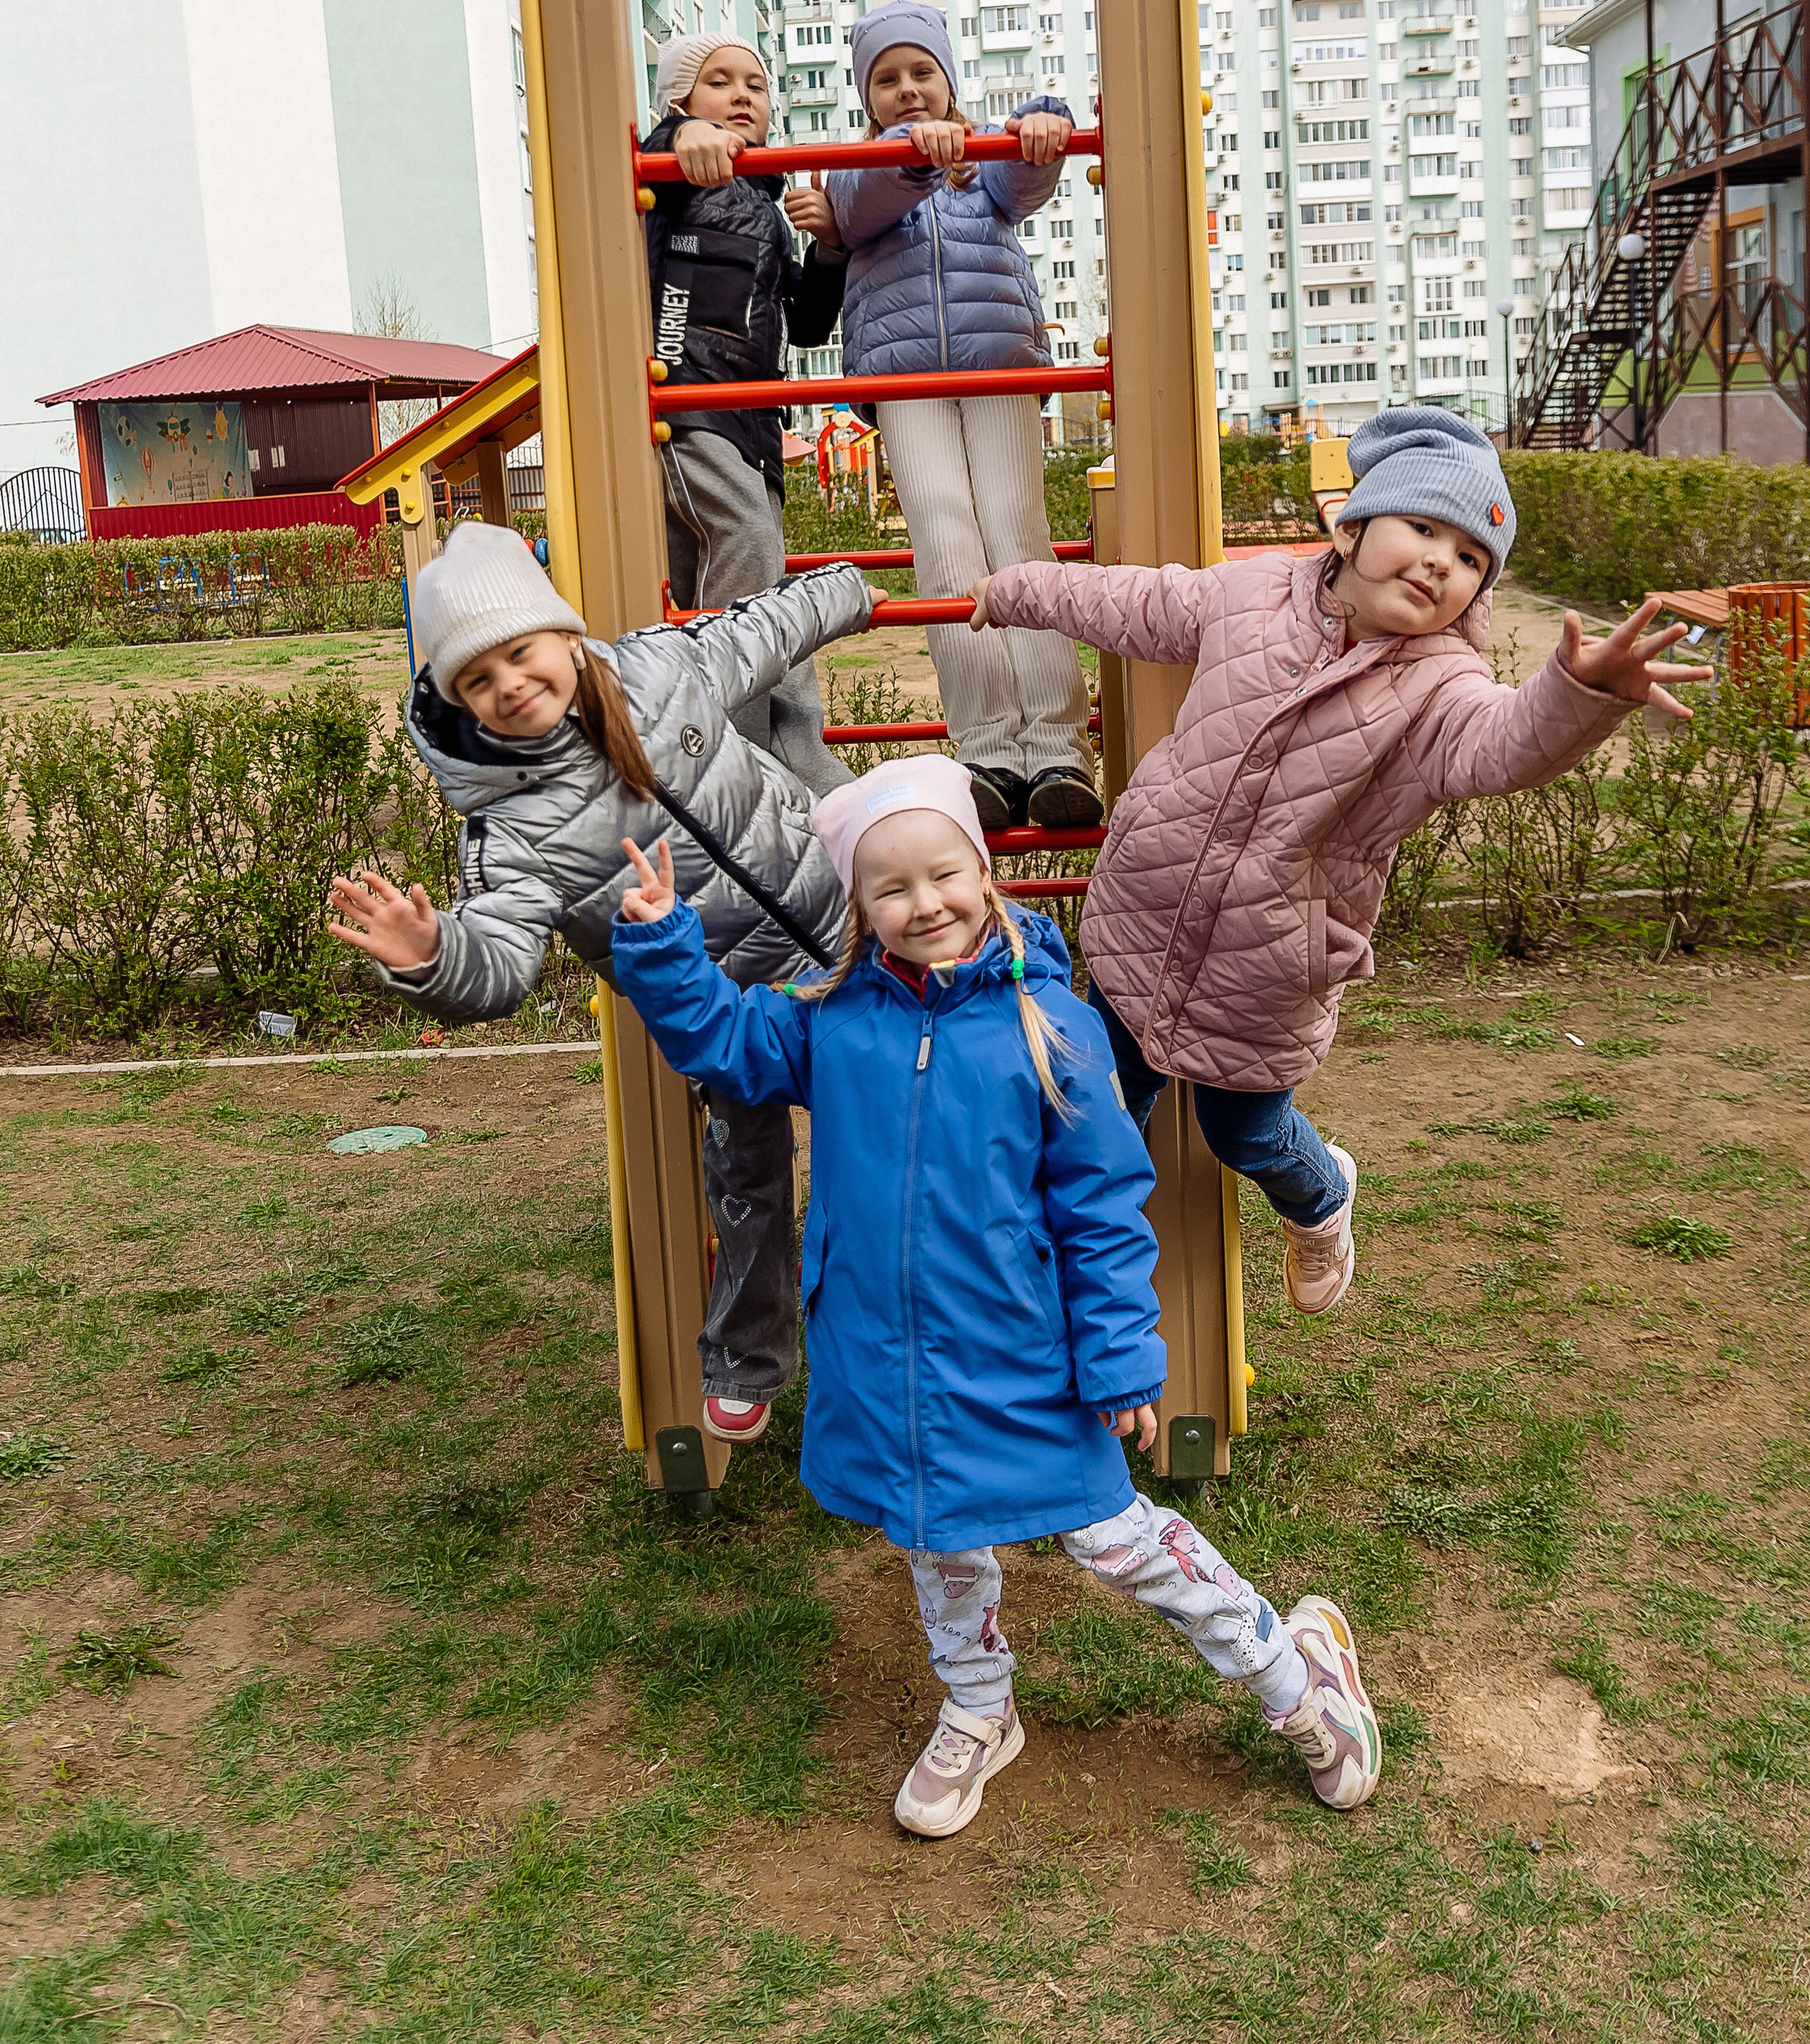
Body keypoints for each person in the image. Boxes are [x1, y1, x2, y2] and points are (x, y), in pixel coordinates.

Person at [609, 755, 1383, 1836]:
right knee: (933, 1534)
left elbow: (1106, 1207)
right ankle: (980, 1703)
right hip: (884, 1358)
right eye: (892, 889)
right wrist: (660, 942)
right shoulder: (829, 1020)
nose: (924, 905)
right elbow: (725, 1045)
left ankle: (1294, 1674)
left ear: (983, 872)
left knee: (1114, 1540)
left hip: (1022, 1358)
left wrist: (1119, 1359)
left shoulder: (1048, 1024)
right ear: (860, 908)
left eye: (943, 876)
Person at [967, 406, 1710, 1313]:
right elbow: (1133, 601)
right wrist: (1019, 592)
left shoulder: (1443, 687)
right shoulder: (1247, 597)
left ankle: (1321, 1197)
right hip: (1142, 918)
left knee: (1243, 1134)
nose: (1444, 561)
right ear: (1351, 528)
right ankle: (1071, 1276)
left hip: (1268, 962)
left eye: (1472, 559)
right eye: (1425, 529)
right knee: (1100, 1108)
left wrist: (1581, 692)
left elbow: (1504, 746)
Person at [325, 521, 873, 1446]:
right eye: (476, 680)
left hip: (850, 927)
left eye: (518, 653)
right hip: (726, 1007)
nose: (506, 684)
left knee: (903, 1134)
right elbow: (497, 965)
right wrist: (428, 955)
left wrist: (849, 591)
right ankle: (748, 1355)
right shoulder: (513, 829)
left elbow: (762, 631)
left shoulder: (661, 674)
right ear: (461, 702)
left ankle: (932, 1332)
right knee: (747, 1171)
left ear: (565, 637)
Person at [813, 2, 1102, 837]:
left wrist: (1044, 122)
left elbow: (1027, 177)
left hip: (998, 361)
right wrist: (910, 161)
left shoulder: (979, 165)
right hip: (906, 381)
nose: (907, 91)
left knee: (1015, 527)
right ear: (868, 97)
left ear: (948, 80)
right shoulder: (857, 166)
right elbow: (862, 205)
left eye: (921, 73)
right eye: (887, 79)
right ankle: (984, 749)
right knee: (943, 539)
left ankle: (1054, 746)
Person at [644, 33, 853, 796]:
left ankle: (792, 743)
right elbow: (640, 169)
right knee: (749, 545)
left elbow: (804, 324)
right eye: (718, 83)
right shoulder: (672, 173)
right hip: (686, 407)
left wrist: (828, 247)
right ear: (679, 100)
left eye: (755, 86)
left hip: (754, 425)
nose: (741, 96)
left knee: (753, 578)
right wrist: (678, 138)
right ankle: (734, 756)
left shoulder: (766, 204)